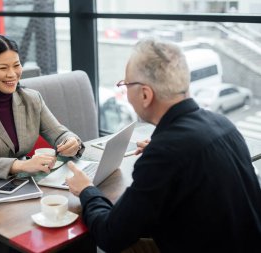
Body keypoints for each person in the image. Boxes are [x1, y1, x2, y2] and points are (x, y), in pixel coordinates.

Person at [66, 38, 261, 253]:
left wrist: (87, 190)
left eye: (125, 84)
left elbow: (110, 235)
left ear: (145, 94)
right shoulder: (224, 125)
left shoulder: (166, 152)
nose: (125, 91)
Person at [0, 34, 83, 238]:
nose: (12, 74)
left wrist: (71, 142)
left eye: (16, 65)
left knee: (66, 219)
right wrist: (20, 165)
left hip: (18, 184)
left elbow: (60, 132)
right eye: (3, 68)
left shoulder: (31, 99)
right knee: (7, 230)